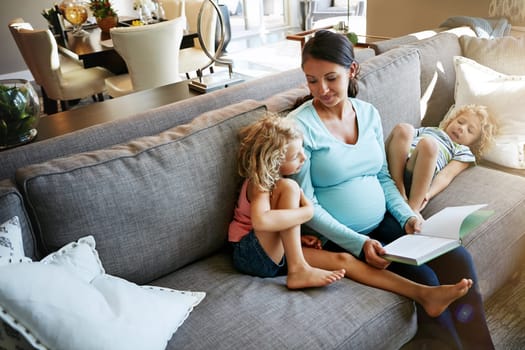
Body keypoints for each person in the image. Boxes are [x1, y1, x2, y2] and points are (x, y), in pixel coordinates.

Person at [287, 29, 494, 349]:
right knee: (425, 279)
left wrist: (407, 216)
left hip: (385, 220)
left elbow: (382, 177)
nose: (322, 90)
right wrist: (359, 243)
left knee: (457, 257)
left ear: (351, 70)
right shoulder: (299, 126)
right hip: (339, 237)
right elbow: (307, 203)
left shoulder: (368, 114)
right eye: (312, 80)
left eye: (331, 78)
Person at [229, 113, 474, 320]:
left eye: (302, 151)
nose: (304, 159)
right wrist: (307, 212)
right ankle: (298, 268)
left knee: (345, 259)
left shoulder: (281, 180)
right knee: (292, 188)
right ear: (273, 159)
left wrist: (298, 239)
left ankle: (424, 294)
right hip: (250, 253)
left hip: (274, 249)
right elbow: (261, 222)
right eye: (296, 156)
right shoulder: (260, 181)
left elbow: (277, 224)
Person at [386, 105, 499, 211]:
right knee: (404, 128)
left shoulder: (462, 150)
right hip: (395, 164)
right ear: (450, 121)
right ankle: (398, 188)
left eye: (470, 130)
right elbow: (401, 139)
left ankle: (413, 208)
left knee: (429, 145)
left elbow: (446, 175)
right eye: (460, 122)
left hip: (416, 174)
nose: (461, 128)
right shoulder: (430, 130)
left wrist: (428, 194)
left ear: (473, 143)